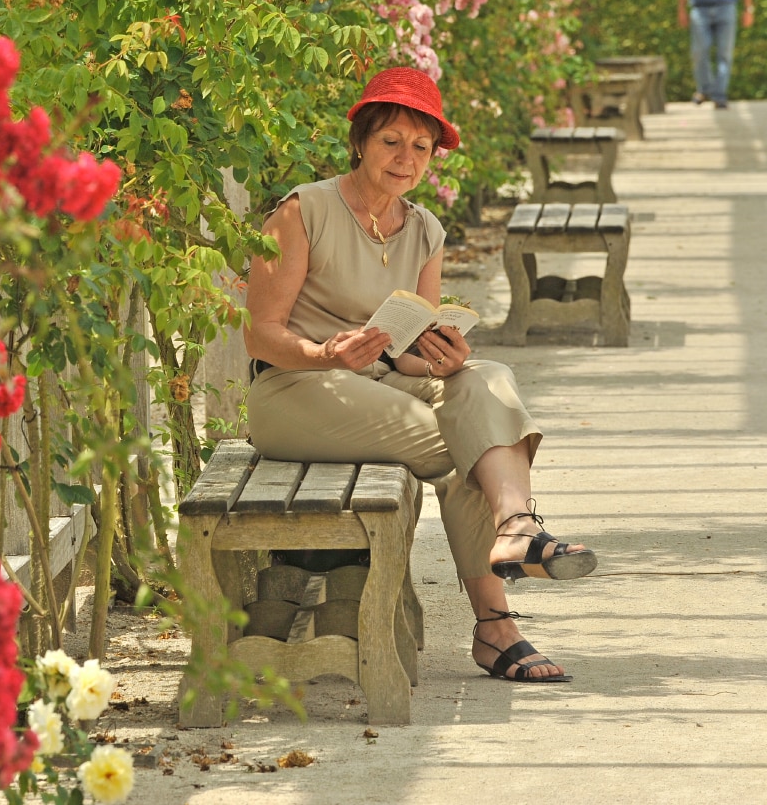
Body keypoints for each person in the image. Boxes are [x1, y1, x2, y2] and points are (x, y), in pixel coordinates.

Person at [244, 67, 596, 683]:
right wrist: (328, 353)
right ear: (359, 141)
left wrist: (441, 358)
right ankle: (497, 625)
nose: (405, 158)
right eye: (391, 141)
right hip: (295, 390)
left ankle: (515, 528)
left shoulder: (425, 229)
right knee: (468, 449)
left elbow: (406, 353)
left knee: (483, 379)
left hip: (377, 386)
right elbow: (261, 334)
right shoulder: (304, 211)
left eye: (421, 147)